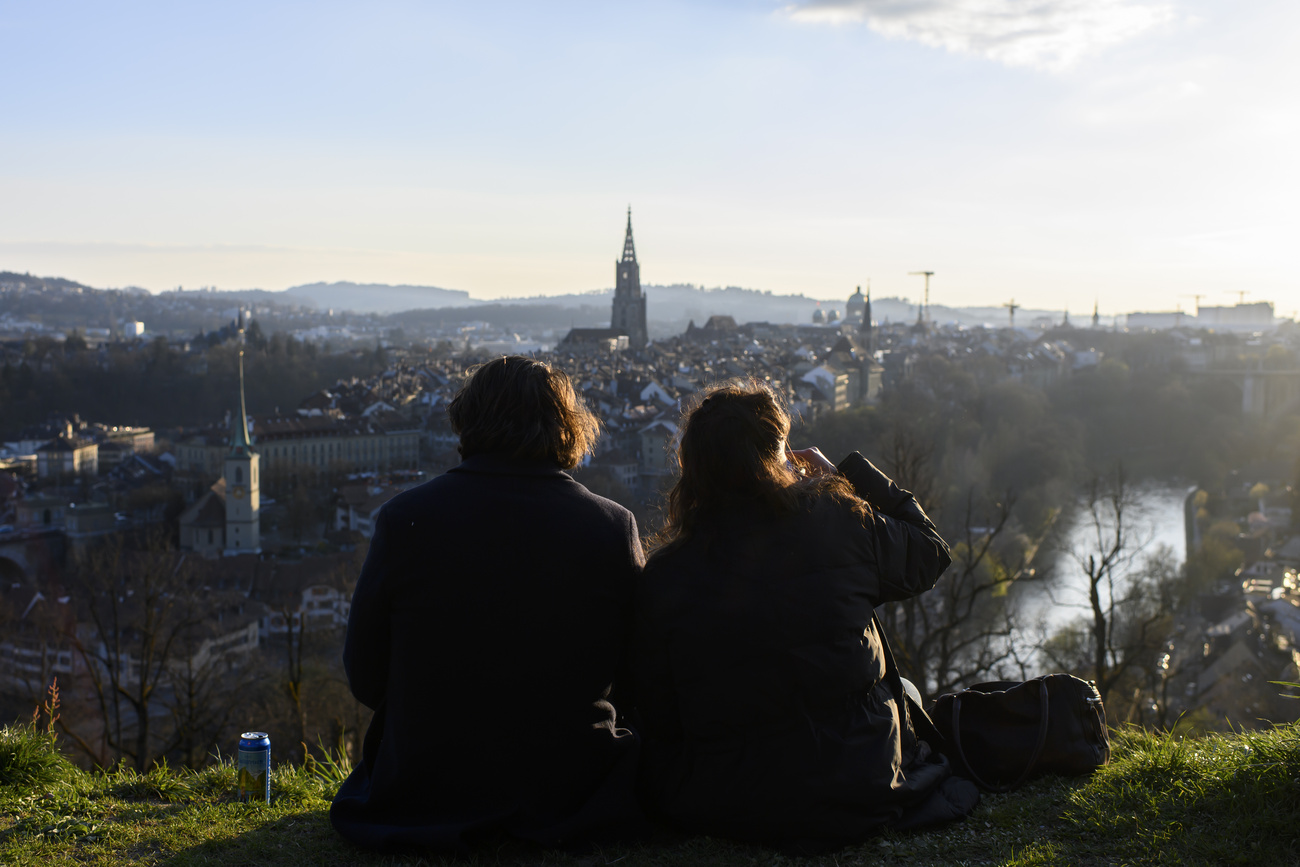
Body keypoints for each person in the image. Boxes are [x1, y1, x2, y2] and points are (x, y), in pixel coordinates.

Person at [631, 380, 978, 850]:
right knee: (908, 694)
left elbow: (655, 703)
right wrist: (849, 478)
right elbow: (930, 553)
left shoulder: (667, 571)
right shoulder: (837, 519)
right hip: (859, 783)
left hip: (729, 801)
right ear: (779, 454)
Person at [331, 356, 648, 853]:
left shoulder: (405, 520)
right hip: (567, 792)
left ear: (466, 421)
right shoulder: (611, 527)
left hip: (425, 789)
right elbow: (637, 675)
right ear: (569, 428)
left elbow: (365, 673)